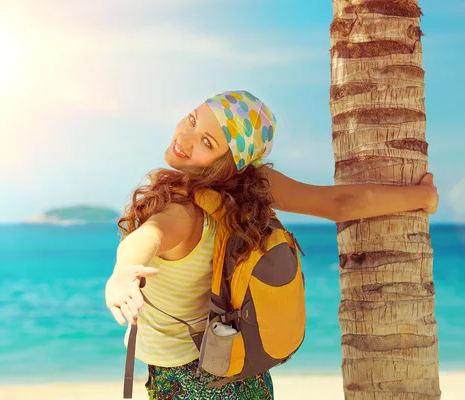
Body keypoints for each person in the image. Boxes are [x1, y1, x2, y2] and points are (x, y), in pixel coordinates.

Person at [104, 90, 439, 399]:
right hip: (240, 367)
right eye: (193, 120)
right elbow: (339, 202)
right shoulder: (254, 185)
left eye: (206, 141)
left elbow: (149, 236)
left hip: (186, 381)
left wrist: (123, 273)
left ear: (227, 163)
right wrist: (421, 197)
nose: (186, 138)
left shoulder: (182, 211)